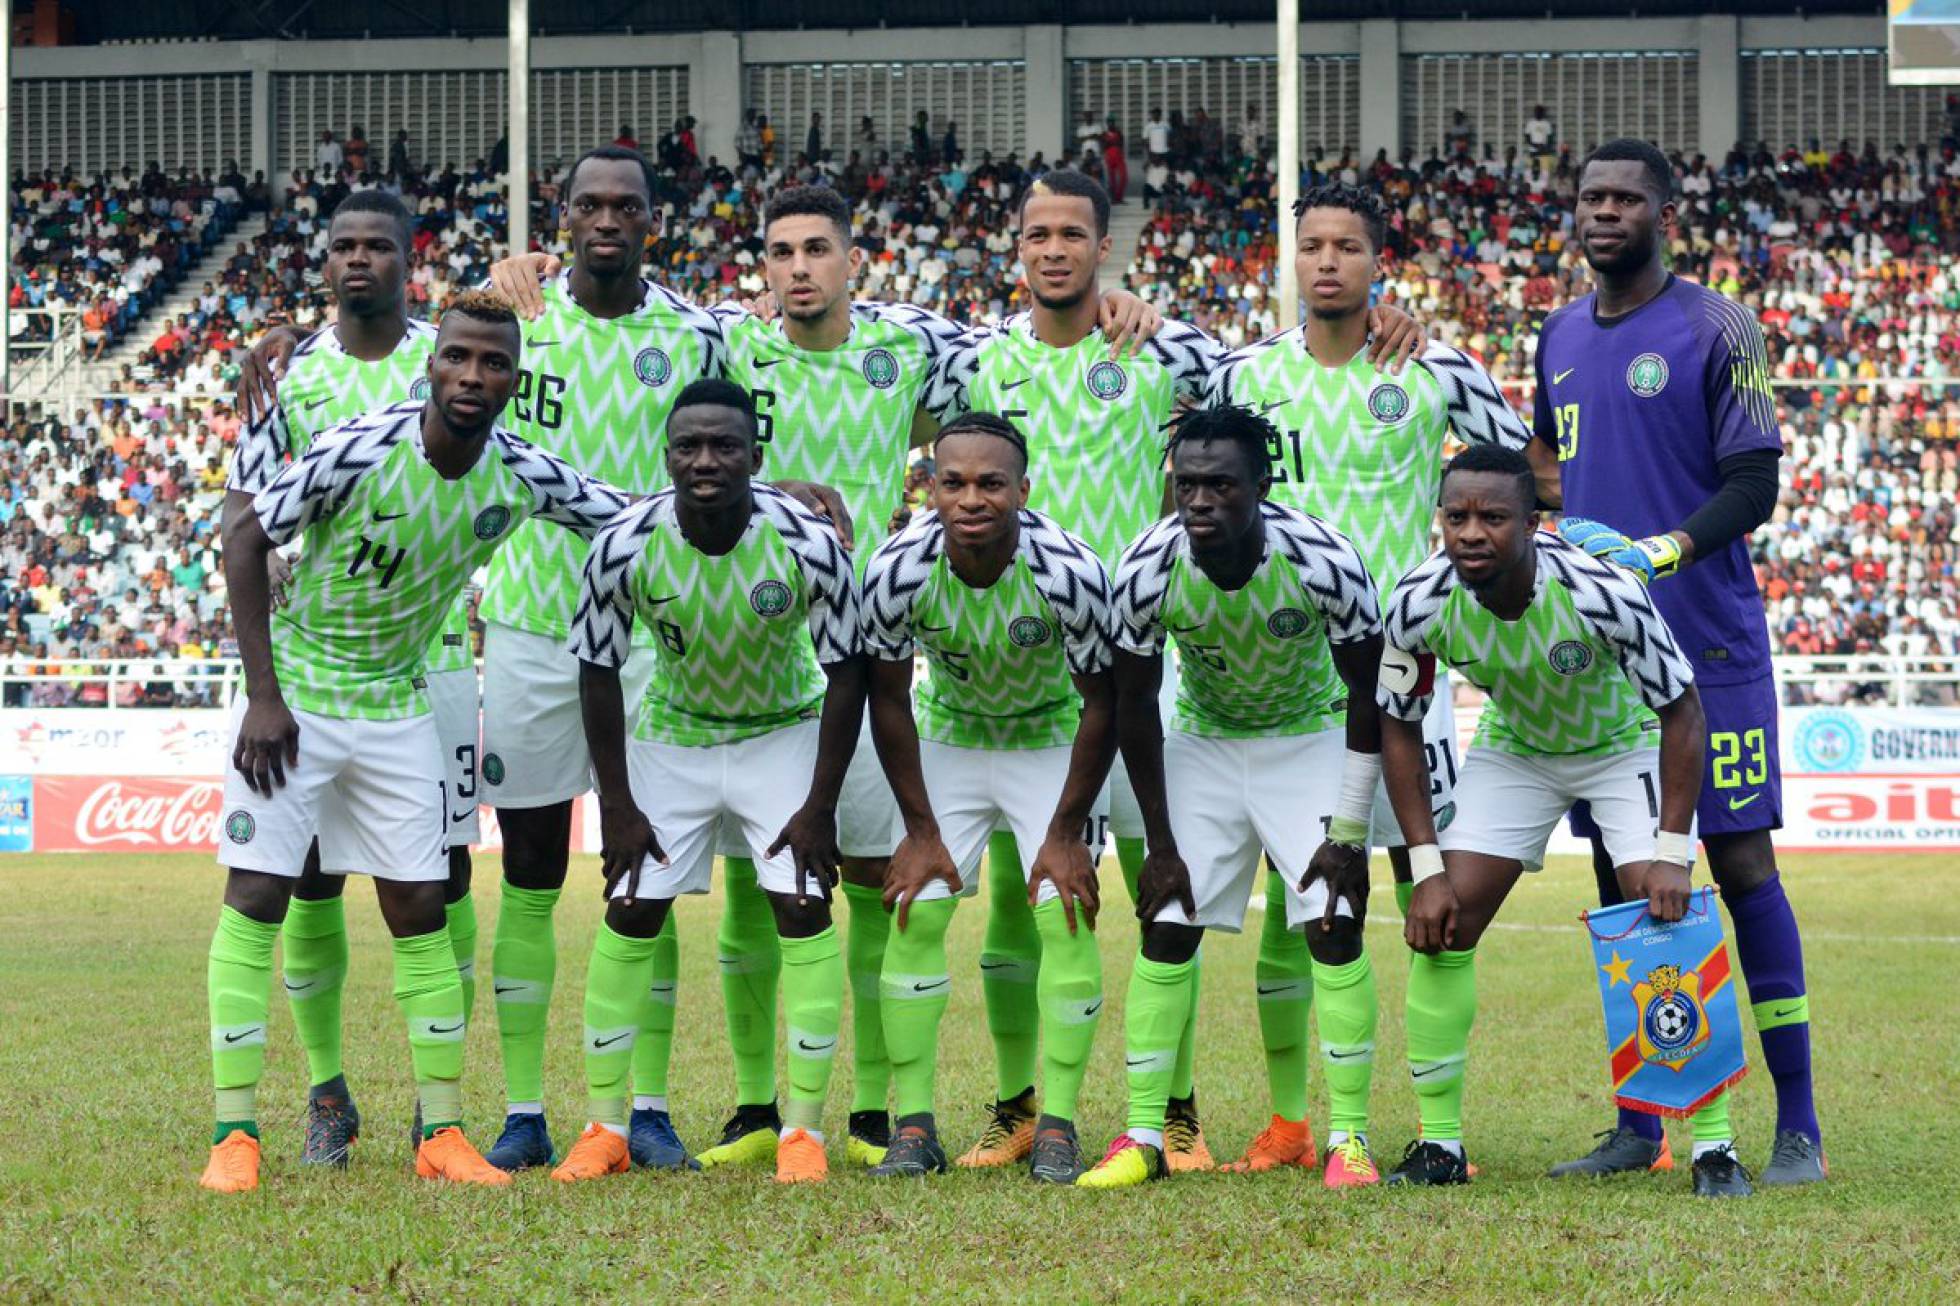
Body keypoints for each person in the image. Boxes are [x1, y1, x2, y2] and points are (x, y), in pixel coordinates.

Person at [486, 181, 1154, 1171]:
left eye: (815, 250)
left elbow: (1035, 346)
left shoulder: (920, 345)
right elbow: (617, 313)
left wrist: (1111, 301)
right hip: (730, 635)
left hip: (849, 644)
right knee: (749, 892)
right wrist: (531, 268)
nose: (797, 268)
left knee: (871, 879)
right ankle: (757, 1106)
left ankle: (885, 1110)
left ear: (853, 260)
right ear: (763, 266)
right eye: (779, 252)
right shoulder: (725, 341)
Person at [926, 169, 1419, 1174]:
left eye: (1072, 233)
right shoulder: (973, 361)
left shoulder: (1173, 347)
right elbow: (875, 382)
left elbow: (1275, 383)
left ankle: (1179, 1114)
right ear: (1013, 247)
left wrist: (1382, 318)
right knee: (1026, 898)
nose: (1053, 249)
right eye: (1035, 234)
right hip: (1025, 669)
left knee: (1173, 889)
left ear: (1105, 247)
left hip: (1149, 666)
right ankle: (1021, 1103)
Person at [200, 292, 631, 1193]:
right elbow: (244, 538)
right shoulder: (362, 446)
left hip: (396, 707)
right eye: (459, 359)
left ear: (516, 379)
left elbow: (626, 514)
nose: (474, 376)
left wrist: (761, 495)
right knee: (258, 896)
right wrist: (263, 697)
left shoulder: (518, 470)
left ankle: (440, 1133)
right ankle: (234, 1137)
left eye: (494, 363)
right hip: (302, 700)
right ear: (431, 365)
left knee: (422, 908)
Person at [1202, 182, 1552, 1178]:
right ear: (1289, 260)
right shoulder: (1244, 377)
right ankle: (1291, 1122)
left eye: (1345, 246)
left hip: (1406, 670)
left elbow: (1525, 472)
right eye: (1309, 245)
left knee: (1427, 891)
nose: (1325, 262)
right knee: (1298, 901)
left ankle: (1439, 1128)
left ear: (1376, 262)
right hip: (1287, 673)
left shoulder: (1434, 366)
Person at [1536, 138, 1823, 1187]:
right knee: (1626, 877)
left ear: (1663, 212)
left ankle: (1796, 1121)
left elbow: (1755, 484)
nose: (1603, 212)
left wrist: (1660, 549)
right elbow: (1546, 466)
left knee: (1740, 864)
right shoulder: (1558, 335)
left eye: (1624, 198)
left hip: (1707, 641)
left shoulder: (1716, 325)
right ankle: (1640, 1123)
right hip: (1602, 658)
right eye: (1589, 197)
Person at [1370, 445, 1748, 1196]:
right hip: (1519, 749)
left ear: (1534, 524)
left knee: (1666, 914)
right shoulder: (1417, 601)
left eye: (1493, 517)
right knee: (1445, 922)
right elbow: (1397, 726)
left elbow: (1682, 713)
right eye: (1456, 516)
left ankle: (1714, 1148)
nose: (1471, 533)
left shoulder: (1601, 590)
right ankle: (1438, 1145)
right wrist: (1425, 866)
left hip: (1624, 742)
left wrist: (1674, 850)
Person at [222, 189, 485, 1170]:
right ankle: (327, 1088)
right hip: (317, 662)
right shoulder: (286, 372)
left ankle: (438, 1108)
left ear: (409, 260)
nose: (361, 260)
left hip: (435, 663)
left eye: (380, 245)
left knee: (442, 878)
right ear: (324, 261)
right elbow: (249, 513)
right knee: (306, 877)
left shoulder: (453, 357)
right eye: (345, 246)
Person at [549, 379, 866, 1187]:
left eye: (725, 445)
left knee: (801, 904)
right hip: (674, 736)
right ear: (667, 454)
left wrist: (819, 806)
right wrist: (614, 804)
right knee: (631, 907)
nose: (705, 460)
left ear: (756, 457)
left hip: (782, 730)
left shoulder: (807, 540)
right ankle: (605, 1125)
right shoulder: (623, 542)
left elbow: (848, 672)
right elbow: (596, 671)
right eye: (688, 445)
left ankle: (801, 1132)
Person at [1078, 405, 1384, 1188]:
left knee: (1334, 920)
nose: (1200, 500)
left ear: (1262, 485)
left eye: (1221, 484)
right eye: (1187, 484)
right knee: (1168, 924)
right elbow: (1135, 705)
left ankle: (1348, 1140)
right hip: (1205, 744)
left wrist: (1349, 830)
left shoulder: (1324, 557)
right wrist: (1162, 844)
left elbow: (1367, 693)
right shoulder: (1147, 566)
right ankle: (1143, 1137)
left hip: (1308, 738)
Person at [858, 413, 1118, 1182]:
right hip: (952, 736)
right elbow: (889, 698)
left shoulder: (1070, 569)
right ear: (930, 487)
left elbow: (1102, 702)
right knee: (916, 907)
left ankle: (1058, 1127)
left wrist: (1066, 831)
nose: (972, 498)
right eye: (954, 482)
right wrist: (919, 829)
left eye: (991, 483)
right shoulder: (897, 569)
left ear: (1023, 491)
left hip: (1050, 739)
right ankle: (914, 1128)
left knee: (1062, 909)